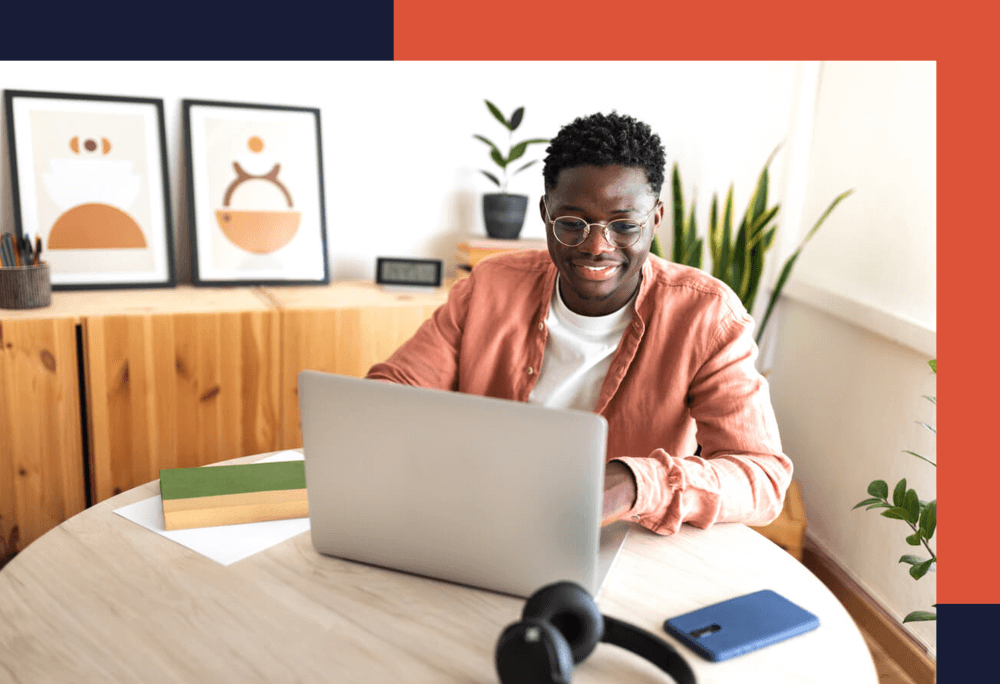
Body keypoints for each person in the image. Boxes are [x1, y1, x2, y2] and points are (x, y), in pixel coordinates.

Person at [367, 111, 791, 535]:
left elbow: (763, 477)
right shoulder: (490, 287)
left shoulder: (707, 317)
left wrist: (633, 484)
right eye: (572, 224)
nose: (596, 246)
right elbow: (393, 392)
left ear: (656, 218)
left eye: (624, 225)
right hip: (477, 517)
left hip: (615, 541)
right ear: (545, 214)